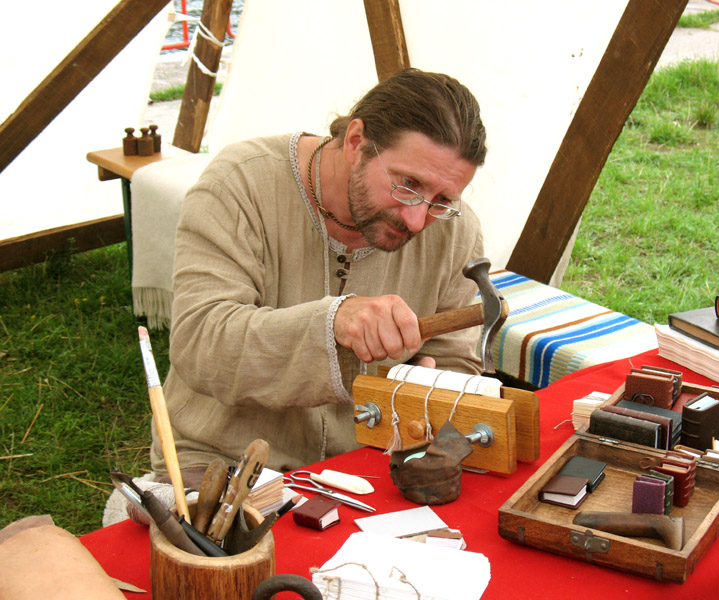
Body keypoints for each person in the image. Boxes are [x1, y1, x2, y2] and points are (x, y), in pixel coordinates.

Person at [150, 68, 489, 484]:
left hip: (372, 460)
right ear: (355, 142)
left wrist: (429, 387)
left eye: (442, 199)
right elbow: (201, 341)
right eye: (408, 184)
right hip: (224, 457)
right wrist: (333, 323)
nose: (417, 219)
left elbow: (454, 360)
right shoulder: (241, 184)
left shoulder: (456, 231)